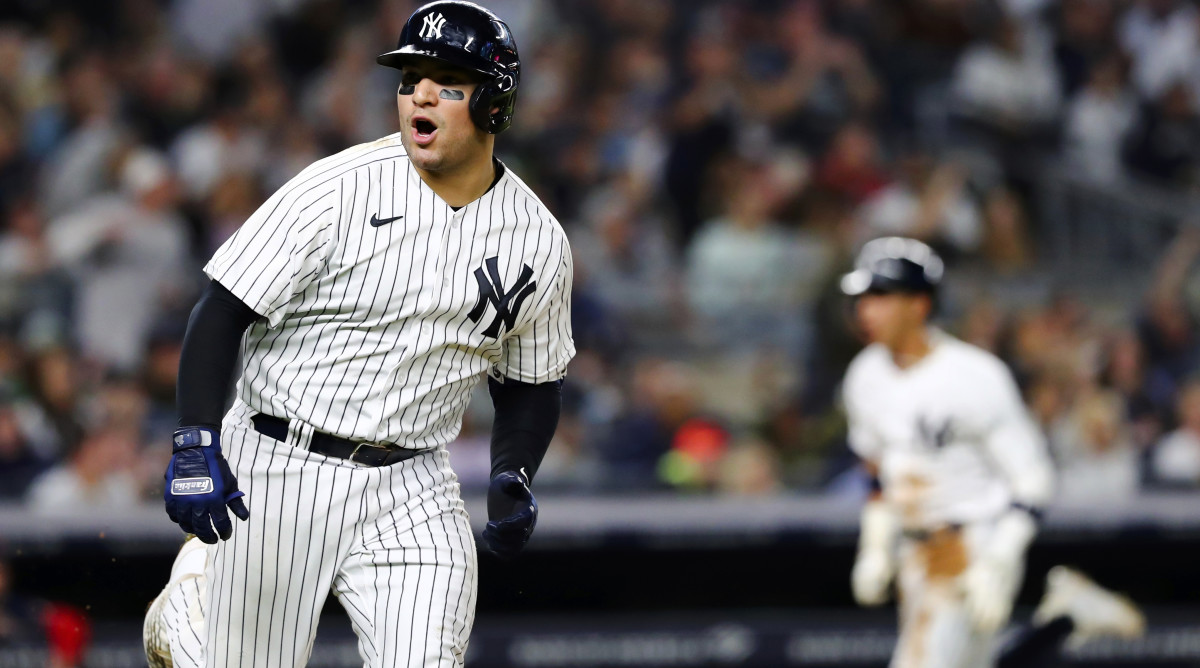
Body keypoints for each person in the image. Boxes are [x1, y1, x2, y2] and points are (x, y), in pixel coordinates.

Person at [143, 2, 575, 666]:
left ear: (495, 104)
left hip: (415, 484)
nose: (420, 95)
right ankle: (188, 618)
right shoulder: (336, 189)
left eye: (447, 82)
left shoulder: (539, 241)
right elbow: (222, 309)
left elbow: (531, 381)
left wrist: (513, 469)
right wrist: (196, 436)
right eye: (410, 80)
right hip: (280, 461)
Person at [841, 236, 1055, 667]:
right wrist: (876, 546)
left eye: (881, 295)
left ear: (919, 304)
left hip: (973, 544)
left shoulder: (974, 375)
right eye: (864, 297)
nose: (867, 308)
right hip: (914, 550)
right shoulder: (864, 376)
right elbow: (875, 473)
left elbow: (1034, 478)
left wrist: (999, 558)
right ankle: (1065, 620)